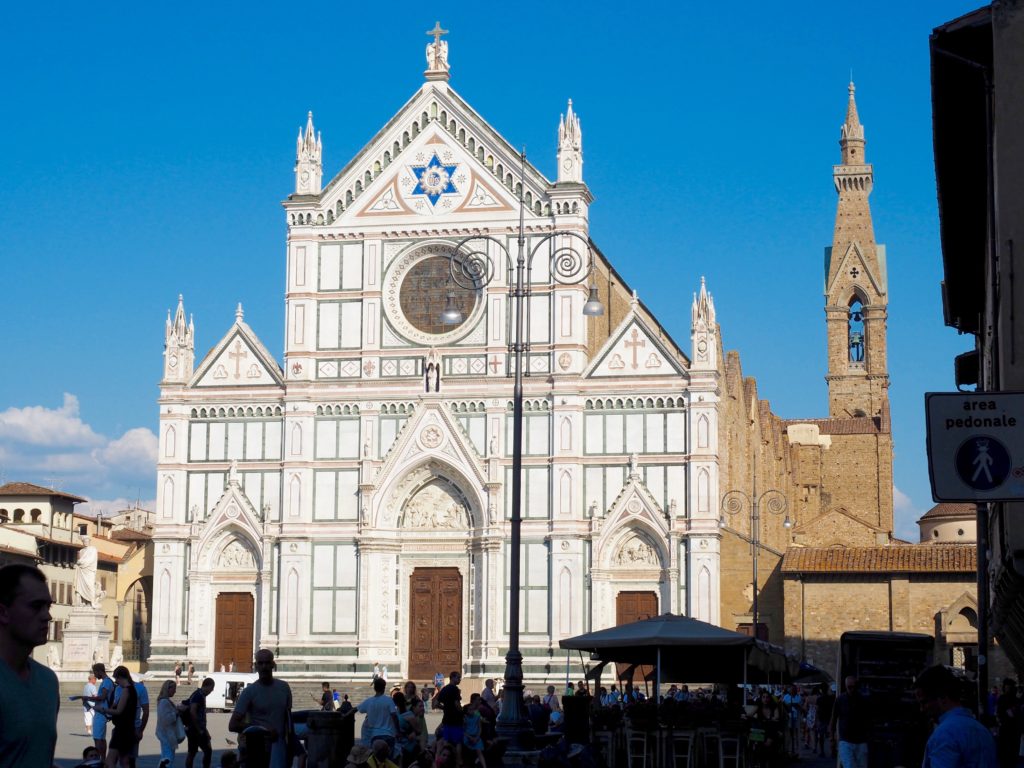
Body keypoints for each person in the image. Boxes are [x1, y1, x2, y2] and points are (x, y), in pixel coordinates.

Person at [0, 564, 60, 768]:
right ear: (3, 612)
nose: (47, 616)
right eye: (36, 606)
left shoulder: (48, 682)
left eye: (48, 606)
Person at [915, 664, 997, 768]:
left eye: (925, 702)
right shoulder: (982, 731)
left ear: (943, 697)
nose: (922, 709)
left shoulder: (944, 735)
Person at [229, 649, 294, 768]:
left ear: (273, 665)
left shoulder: (284, 688)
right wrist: (262, 729)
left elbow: (288, 720)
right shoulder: (249, 692)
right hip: (257, 750)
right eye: (260, 663)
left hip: (280, 749)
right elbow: (233, 725)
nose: (264, 666)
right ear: (255, 666)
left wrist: (293, 747)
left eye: (267, 663)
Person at [98, 665, 138, 768]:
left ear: (120, 677)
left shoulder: (126, 690)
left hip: (122, 730)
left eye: (116, 679)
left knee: (110, 761)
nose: (116, 682)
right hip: (129, 729)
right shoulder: (133, 690)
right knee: (124, 761)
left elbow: (119, 711)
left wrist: (103, 709)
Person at [831, 676, 870, 768]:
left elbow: (868, 719)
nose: (852, 689)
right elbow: (833, 719)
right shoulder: (840, 700)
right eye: (850, 687)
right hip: (846, 740)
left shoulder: (863, 700)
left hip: (860, 740)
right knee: (849, 766)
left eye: (854, 686)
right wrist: (831, 738)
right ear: (846, 687)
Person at [356, 676, 399, 747]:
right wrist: (398, 731)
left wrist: (345, 714)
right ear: (384, 688)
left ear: (374, 688)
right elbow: (394, 715)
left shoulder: (369, 701)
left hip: (374, 735)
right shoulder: (389, 700)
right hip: (388, 734)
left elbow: (356, 709)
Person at [185, 677, 215, 768]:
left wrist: (205, 731)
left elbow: (199, 715)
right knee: (206, 751)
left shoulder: (200, 695)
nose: (212, 690)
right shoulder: (198, 695)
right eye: (212, 688)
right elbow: (193, 712)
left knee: (193, 752)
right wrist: (200, 730)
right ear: (207, 686)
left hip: (197, 729)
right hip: (195, 730)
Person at [436, 671, 464, 757]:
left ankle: (442, 758)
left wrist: (446, 708)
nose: (460, 680)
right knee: (458, 742)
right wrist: (462, 712)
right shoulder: (455, 689)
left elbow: (436, 704)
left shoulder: (444, 689)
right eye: (458, 678)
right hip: (456, 719)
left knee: (446, 741)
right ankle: (458, 761)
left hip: (446, 719)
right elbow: (457, 704)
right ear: (452, 678)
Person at [155, 679, 180, 768]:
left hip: (165, 733)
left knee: (166, 756)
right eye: (174, 689)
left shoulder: (165, 701)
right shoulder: (164, 702)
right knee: (168, 757)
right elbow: (166, 719)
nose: (175, 691)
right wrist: (176, 713)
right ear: (168, 689)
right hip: (166, 733)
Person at [996, 678, 1020, 768]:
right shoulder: (1003, 698)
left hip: (1011, 728)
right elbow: (1000, 712)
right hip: (1007, 728)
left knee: (1009, 752)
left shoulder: (1014, 700)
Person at [462, 696, 486, 768]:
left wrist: (477, 737)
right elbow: (463, 730)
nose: (472, 711)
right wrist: (469, 737)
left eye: (473, 710)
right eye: (470, 710)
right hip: (467, 736)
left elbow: (479, 727)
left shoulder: (477, 715)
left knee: (479, 751)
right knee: (466, 751)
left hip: (476, 736)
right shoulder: (464, 718)